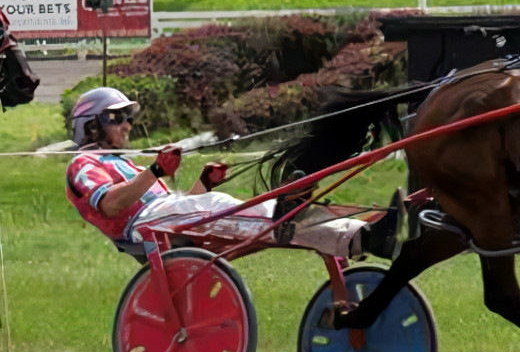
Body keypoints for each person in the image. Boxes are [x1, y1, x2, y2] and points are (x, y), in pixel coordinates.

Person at [65, 87, 403, 259]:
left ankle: (365, 236)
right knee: (226, 207)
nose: (126, 125)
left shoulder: (126, 163)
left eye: (127, 117)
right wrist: (155, 170)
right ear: (91, 125)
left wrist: (203, 182)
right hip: (144, 229)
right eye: (116, 118)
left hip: (165, 220)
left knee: (226, 206)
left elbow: (183, 206)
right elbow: (109, 205)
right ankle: (291, 218)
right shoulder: (83, 166)